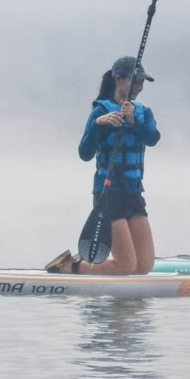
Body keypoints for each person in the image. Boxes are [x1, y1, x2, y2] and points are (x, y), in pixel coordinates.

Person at [46, 56, 160, 274]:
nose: (139, 87)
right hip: (108, 194)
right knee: (126, 266)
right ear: (119, 79)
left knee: (144, 267)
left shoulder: (143, 113)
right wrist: (99, 125)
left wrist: (133, 122)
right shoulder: (100, 112)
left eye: (142, 82)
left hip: (133, 193)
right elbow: (84, 153)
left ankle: (125, 303)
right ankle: (69, 266)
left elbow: (152, 138)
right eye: (135, 81)